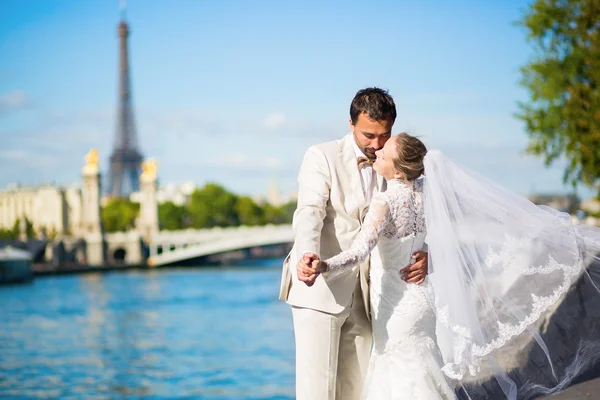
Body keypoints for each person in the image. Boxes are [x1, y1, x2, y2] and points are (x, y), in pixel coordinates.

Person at [299, 133, 600, 399]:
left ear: (398, 167)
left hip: (395, 302)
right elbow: (446, 239)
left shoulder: (385, 201)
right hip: (422, 298)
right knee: (422, 364)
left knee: (395, 368)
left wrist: (324, 266)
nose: (377, 151)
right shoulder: (427, 194)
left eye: (385, 150)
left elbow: (358, 252)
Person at [278, 88, 429, 400]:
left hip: (370, 294)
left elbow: (419, 219)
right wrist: (309, 253)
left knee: (358, 391)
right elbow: (309, 212)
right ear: (350, 124)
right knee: (316, 392)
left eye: (383, 136)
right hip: (318, 287)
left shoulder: (395, 161)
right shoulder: (321, 156)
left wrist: (428, 255)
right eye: (368, 135)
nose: (376, 145)